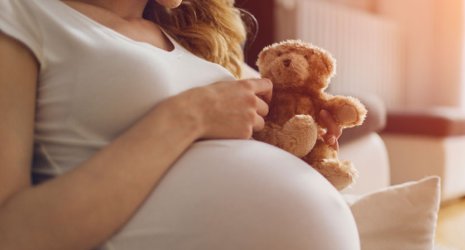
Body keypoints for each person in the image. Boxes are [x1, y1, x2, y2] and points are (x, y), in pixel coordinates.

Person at [0, 0, 360, 249]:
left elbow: (280, 102)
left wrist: (301, 131)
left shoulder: (191, 44)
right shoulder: (21, 13)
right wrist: (190, 115)